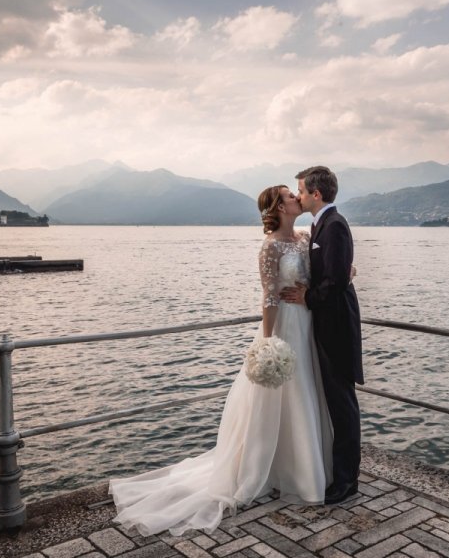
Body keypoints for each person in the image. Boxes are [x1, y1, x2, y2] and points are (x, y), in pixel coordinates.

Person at [108, 185, 332, 536]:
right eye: (290, 196)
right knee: (276, 399)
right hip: (284, 327)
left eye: (296, 193)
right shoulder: (270, 246)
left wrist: (341, 276)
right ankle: (269, 470)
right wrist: (268, 343)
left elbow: (322, 276)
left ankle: (303, 467)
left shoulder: (305, 237)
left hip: (307, 326)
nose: (296, 198)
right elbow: (269, 296)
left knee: (305, 394)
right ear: (279, 207)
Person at [280, 166, 363, 505]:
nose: (298, 196)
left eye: (301, 190)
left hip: (337, 328)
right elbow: (334, 270)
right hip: (325, 325)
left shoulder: (335, 226)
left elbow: (336, 282)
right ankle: (338, 473)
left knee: (343, 406)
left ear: (316, 194)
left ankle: (347, 481)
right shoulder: (319, 225)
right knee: (335, 402)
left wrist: (307, 297)